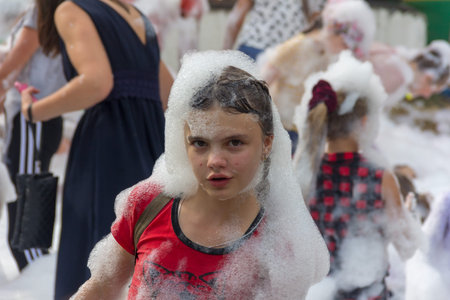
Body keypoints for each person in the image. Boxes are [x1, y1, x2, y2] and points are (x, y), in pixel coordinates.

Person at [70, 50, 330, 299]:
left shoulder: (279, 246)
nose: (214, 161)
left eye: (235, 143)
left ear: (267, 144)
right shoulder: (148, 204)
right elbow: (102, 289)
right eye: (200, 143)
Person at [18, 0, 173, 298]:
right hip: (153, 141)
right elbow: (169, 92)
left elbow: (96, 83)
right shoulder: (134, 14)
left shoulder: (72, 9)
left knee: (100, 246)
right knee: (145, 244)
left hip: (108, 144)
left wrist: (35, 110)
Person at [293, 51, 422, 299]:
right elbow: (407, 246)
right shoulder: (380, 178)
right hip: (367, 292)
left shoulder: (302, 174)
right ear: (364, 122)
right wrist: (409, 214)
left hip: (316, 291)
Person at [0, 4, 66, 271]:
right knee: (25, 194)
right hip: (37, 116)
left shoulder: (44, 11)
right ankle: (36, 269)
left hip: (33, 114)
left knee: (26, 198)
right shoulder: (53, 11)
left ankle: (36, 272)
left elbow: (13, 65)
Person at [258, 0, 376, 143]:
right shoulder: (298, 46)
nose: (346, 50)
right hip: (281, 128)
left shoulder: (329, 56)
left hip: (306, 131)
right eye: (345, 44)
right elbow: (262, 82)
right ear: (333, 33)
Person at [223, 0, 325, 60]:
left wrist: (224, 55)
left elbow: (236, 19)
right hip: (290, 52)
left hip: (253, 46)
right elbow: (317, 22)